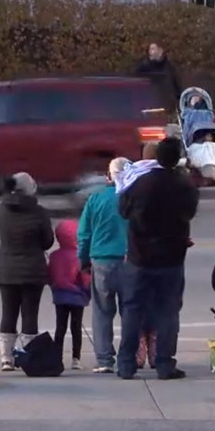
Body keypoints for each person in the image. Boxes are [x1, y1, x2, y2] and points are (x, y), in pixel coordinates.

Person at [116, 137, 199, 380]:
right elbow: (189, 213)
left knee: (132, 309)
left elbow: (124, 209)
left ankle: (126, 363)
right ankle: (164, 362)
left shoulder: (140, 184)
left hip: (139, 256)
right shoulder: (185, 185)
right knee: (168, 311)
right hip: (171, 256)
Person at [0, 172, 54, 372]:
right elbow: (47, 241)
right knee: (29, 314)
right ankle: (28, 356)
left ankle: (6, 358)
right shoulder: (39, 212)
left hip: (6, 269)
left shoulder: (1, 210)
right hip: (33, 270)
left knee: (8, 312)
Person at [77, 157, 130, 374]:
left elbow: (84, 234)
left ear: (108, 175)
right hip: (129, 261)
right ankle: (129, 356)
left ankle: (104, 359)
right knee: (130, 312)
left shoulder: (95, 199)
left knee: (102, 312)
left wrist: (83, 260)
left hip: (101, 260)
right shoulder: (133, 198)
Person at [48, 219, 90, 371]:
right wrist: (87, 292)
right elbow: (85, 278)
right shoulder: (80, 256)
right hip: (77, 297)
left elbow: (50, 275)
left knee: (60, 327)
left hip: (60, 296)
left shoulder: (54, 256)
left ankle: (57, 357)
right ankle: (76, 358)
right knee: (76, 327)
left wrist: (54, 287)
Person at [134, 42, 183, 112]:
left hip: (166, 103)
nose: (150, 51)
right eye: (150, 49)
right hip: (149, 103)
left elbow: (175, 83)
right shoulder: (144, 66)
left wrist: (178, 99)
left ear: (160, 50)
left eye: (153, 49)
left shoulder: (169, 66)